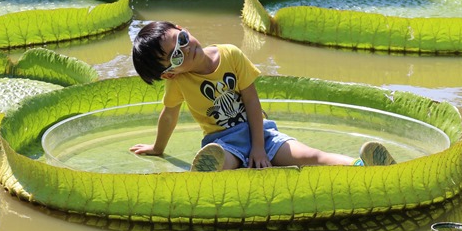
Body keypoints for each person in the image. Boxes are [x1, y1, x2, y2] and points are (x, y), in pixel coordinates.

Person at [130, 21, 397, 172]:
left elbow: (252, 102)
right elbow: (170, 114)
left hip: (264, 134)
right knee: (222, 160)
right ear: (169, 74)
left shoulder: (230, 55)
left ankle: (364, 165)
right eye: (176, 55)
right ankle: (210, 168)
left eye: (183, 39)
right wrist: (158, 148)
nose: (186, 50)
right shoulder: (180, 83)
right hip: (224, 142)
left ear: (183, 28)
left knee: (312, 156)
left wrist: (259, 147)